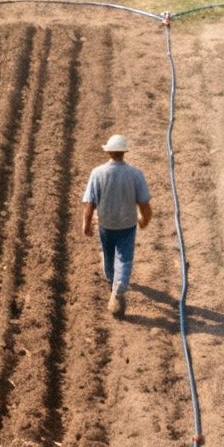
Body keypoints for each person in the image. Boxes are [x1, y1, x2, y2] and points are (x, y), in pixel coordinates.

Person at [81, 134, 152, 318]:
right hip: (127, 225)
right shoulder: (135, 174)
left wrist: (86, 224)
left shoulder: (97, 173)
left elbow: (90, 204)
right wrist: (144, 220)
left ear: (109, 152)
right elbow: (145, 205)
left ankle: (112, 280)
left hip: (106, 224)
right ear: (124, 152)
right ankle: (119, 287)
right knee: (125, 258)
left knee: (108, 254)